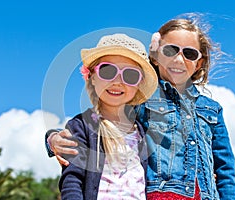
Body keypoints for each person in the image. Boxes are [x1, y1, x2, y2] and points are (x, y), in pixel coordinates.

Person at [46, 16, 235, 199]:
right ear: (155, 57)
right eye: (170, 50)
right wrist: (52, 138)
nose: (179, 60)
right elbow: (103, 119)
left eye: (189, 53)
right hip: (160, 195)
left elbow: (225, 169)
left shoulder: (212, 109)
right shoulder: (142, 100)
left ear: (199, 63)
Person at [50, 33, 158, 199]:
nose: (118, 81)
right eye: (108, 71)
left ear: (139, 84)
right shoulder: (81, 125)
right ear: (92, 77)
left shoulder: (142, 132)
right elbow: (72, 180)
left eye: (130, 75)